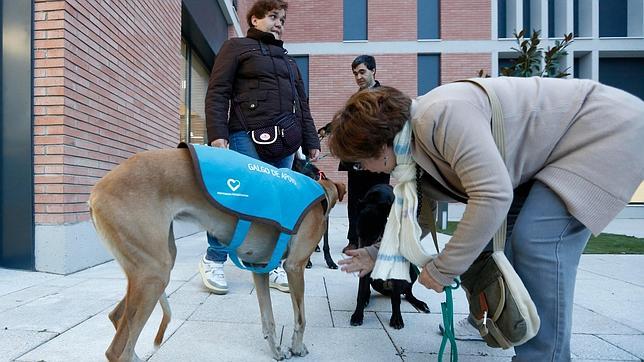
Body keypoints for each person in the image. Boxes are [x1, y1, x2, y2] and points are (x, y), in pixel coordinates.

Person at [328, 78, 644, 361]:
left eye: (360, 162)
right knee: (484, 246)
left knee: (537, 244)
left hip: (602, 129)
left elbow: (492, 195)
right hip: (540, 164)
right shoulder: (411, 152)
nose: (365, 171)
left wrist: (443, 269)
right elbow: (419, 220)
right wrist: (375, 254)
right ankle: (492, 322)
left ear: (381, 145)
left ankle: (544, 357)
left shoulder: (440, 116)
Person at [199, 0, 320, 295]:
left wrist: (311, 140)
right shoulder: (237, 47)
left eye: (282, 18)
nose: (279, 22)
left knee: (278, 205)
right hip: (245, 134)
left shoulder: (289, 62)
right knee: (237, 199)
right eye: (272, 16)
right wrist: (218, 134)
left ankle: (274, 262)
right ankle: (213, 259)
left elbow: (301, 105)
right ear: (254, 19)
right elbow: (218, 91)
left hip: (287, 141)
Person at [339, 55, 390, 253]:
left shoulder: (384, 96)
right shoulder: (354, 98)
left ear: (373, 71)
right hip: (355, 159)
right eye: (355, 73)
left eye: (362, 72)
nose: (358, 77)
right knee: (355, 202)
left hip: (378, 159)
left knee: (379, 200)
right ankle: (354, 240)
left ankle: (378, 239)